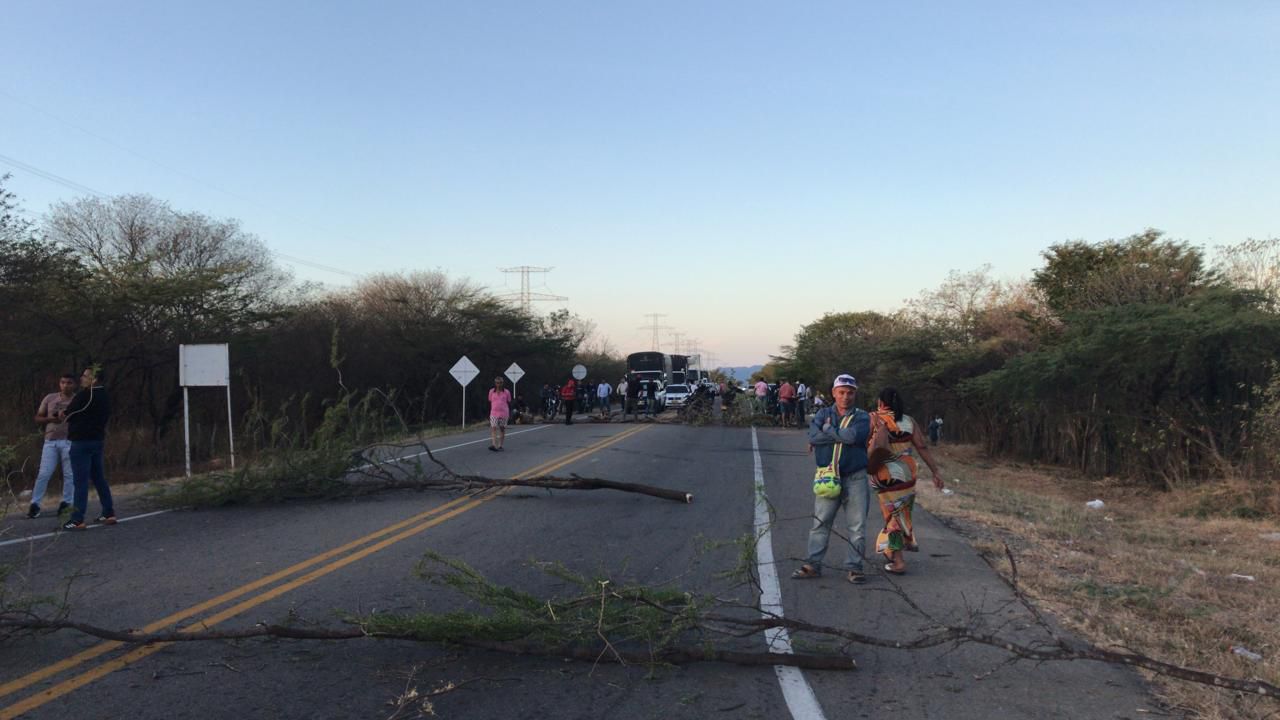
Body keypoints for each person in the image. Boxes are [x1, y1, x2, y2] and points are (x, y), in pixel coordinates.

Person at [792, 374, 871, 584]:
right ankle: (812, 564)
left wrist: (828, 429)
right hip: (827, 477)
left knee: (857, 526)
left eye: (850, 393)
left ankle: (854, 567)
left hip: (855, 477)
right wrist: (839, 434)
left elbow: (854, 437)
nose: (846, 397)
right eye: (841, 392)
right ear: (834, 393)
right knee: (821, 522)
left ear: (855, 394)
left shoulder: (862, 417)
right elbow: (814, 438)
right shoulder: (822, 413)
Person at [867, 388, 944, 575]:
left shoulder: (875, 418)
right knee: (900, 514)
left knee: (892, 517)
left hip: (884, 474)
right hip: (907, 473)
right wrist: (935, 471)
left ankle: (898, 559)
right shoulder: (909, 421)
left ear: (880, 402)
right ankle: (893, 552)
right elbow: (922, 446)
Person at [63, 366, 115, 530]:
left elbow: (69, 413)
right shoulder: (105, 396)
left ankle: (77, 519)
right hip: (97, 440)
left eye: (85, 376)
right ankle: (108, 512)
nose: (82, 379)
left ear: (94, 379)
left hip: (81, 442)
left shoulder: (84, 395)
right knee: (99, 477)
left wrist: (61, 415)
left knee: (80, 481)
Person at [29, 373, 78, 519]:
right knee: (44, 473)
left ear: (74, 384)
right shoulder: (50, 398)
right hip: (50, 441)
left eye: (69, 383)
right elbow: (38, 417)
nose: (65, 385)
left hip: (70, 440)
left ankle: (66, 503)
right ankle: (35, 504)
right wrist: (49, 419)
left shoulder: (77, 400)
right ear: (59, 383)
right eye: (63, 382)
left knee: (69, 474)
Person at [487, 376, 512, 451]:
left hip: (504, 413)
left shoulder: (506, 392)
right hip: (494, 412)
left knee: (502, 428)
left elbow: (509, 401)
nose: (499, 384)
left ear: (502, 383)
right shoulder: (491, 391)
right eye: (497, 383)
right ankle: (494, 445)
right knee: (493, 427)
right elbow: (490, 400)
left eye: (500, 383)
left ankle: (500, 445)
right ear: (495, 383)